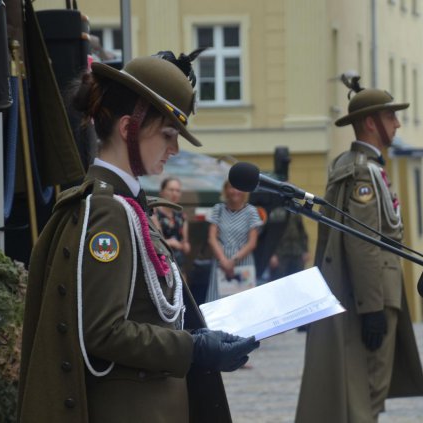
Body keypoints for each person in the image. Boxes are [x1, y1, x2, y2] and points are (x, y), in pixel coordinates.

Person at [17, 51, 259, 423]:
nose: (174, 150)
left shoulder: (126, 205)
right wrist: (193, 348)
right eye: (167, 135)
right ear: (129, 128)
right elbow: (103, 330)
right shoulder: (109, 212)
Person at [296, 78, 423, 423]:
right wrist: (372, 309)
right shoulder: (364, 176)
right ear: (371, 123)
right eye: (390, 116)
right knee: (367, 393)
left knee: (365, 393)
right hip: (373, 298)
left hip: (373, 295)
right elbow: (364, 242)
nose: (397, 124)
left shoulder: (358, 167)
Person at [205, 180, 263, 302]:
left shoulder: (251, 211)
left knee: (243, 303)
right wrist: (224, 261)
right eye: (231, 187)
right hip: (221, 262)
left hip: (243, 262)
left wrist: (233, 261)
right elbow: (212, 238)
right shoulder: (218, 209)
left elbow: (252, 243)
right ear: (225, 190)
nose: (235, 191)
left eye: (239, 188)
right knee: (218, 302)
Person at [151, 177, 191, 267]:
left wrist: (185, 245)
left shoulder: (182, 216)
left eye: (177, 191)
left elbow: (186, 244)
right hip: (161, 264)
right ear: (162, 192)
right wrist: (171, 242)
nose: (174, 194)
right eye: (171, 190)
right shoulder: (154, 214)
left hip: (178, 265)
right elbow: (156, 243)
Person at [268, 211, 309, 281]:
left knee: (296, 282)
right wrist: (271, 254)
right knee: (278, 283)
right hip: (280, 255)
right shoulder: (276, 211)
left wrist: (305, 250)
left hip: (297, 253)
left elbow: (302, 232)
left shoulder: (296, 211)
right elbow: (269, 235)